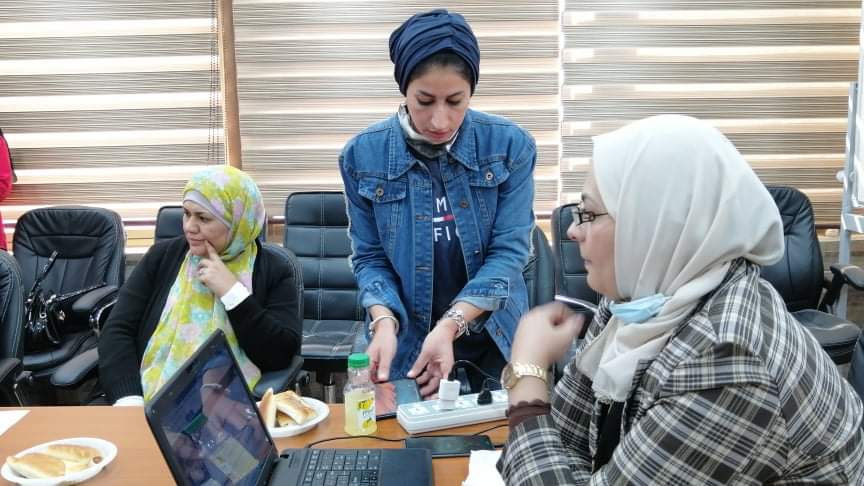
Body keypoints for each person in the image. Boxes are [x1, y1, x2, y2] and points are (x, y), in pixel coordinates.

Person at [499, 115, 864, 484]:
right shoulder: (639, 299)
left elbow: (550, 454)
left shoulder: (726, 360)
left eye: (589, 214)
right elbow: (567, 437)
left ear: (655, 225)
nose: (573, 231)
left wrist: (527, 373)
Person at [339, 9, 536, 397]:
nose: (440, 120)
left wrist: (450, 326)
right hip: (407, 339)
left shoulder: (509, 146)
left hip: (494, 336)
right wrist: (383, 321)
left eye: (455, 101)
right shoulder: (363, 156)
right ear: (405, 89)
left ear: (471, 93)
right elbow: (370, 258)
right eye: (425, 101)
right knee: (405, 433)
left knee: (497, 433)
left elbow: (509, 252)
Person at [98, 166, 302, 405]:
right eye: (186, 214)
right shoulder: (162, 256)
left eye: (203, 218)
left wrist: (233, 293)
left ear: (237, 222)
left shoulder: (275, 270)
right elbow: (117, 330)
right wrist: (128, 398)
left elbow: (280, 355)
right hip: (146, 401)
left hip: (230, 410)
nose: (189, 226)